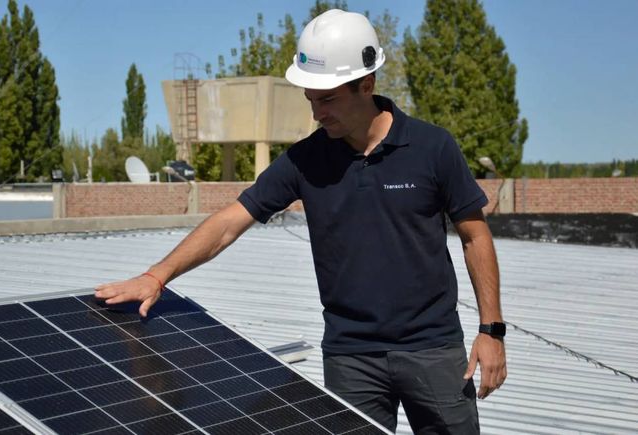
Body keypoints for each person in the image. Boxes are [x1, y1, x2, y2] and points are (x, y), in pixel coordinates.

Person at [95, 9, 506, 434]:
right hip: (351, 358)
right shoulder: (305, 160)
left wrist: (491, 330)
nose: (317, 113)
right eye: (311, 99)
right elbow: (229, 222)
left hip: (433, 350)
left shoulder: (432, 147)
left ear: (367, 85)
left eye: (327, 99)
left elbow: (475, 237)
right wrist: (157, 276)